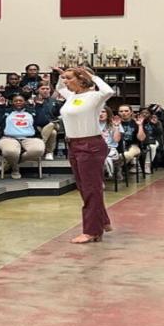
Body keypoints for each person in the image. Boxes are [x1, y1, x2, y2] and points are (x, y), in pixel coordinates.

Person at [53, 66, 117, 243]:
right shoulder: (72, 96)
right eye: (65, 78)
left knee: (91, 188)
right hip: (74, 144)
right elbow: (59, 88)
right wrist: (62, 75)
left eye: (69, 78)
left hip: (91, 145)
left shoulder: (95, 96)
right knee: (84, 187)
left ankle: (92, 231)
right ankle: (103, 221)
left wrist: (93, 77)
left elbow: (108, 90)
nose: (66, 82)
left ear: (82, 79)